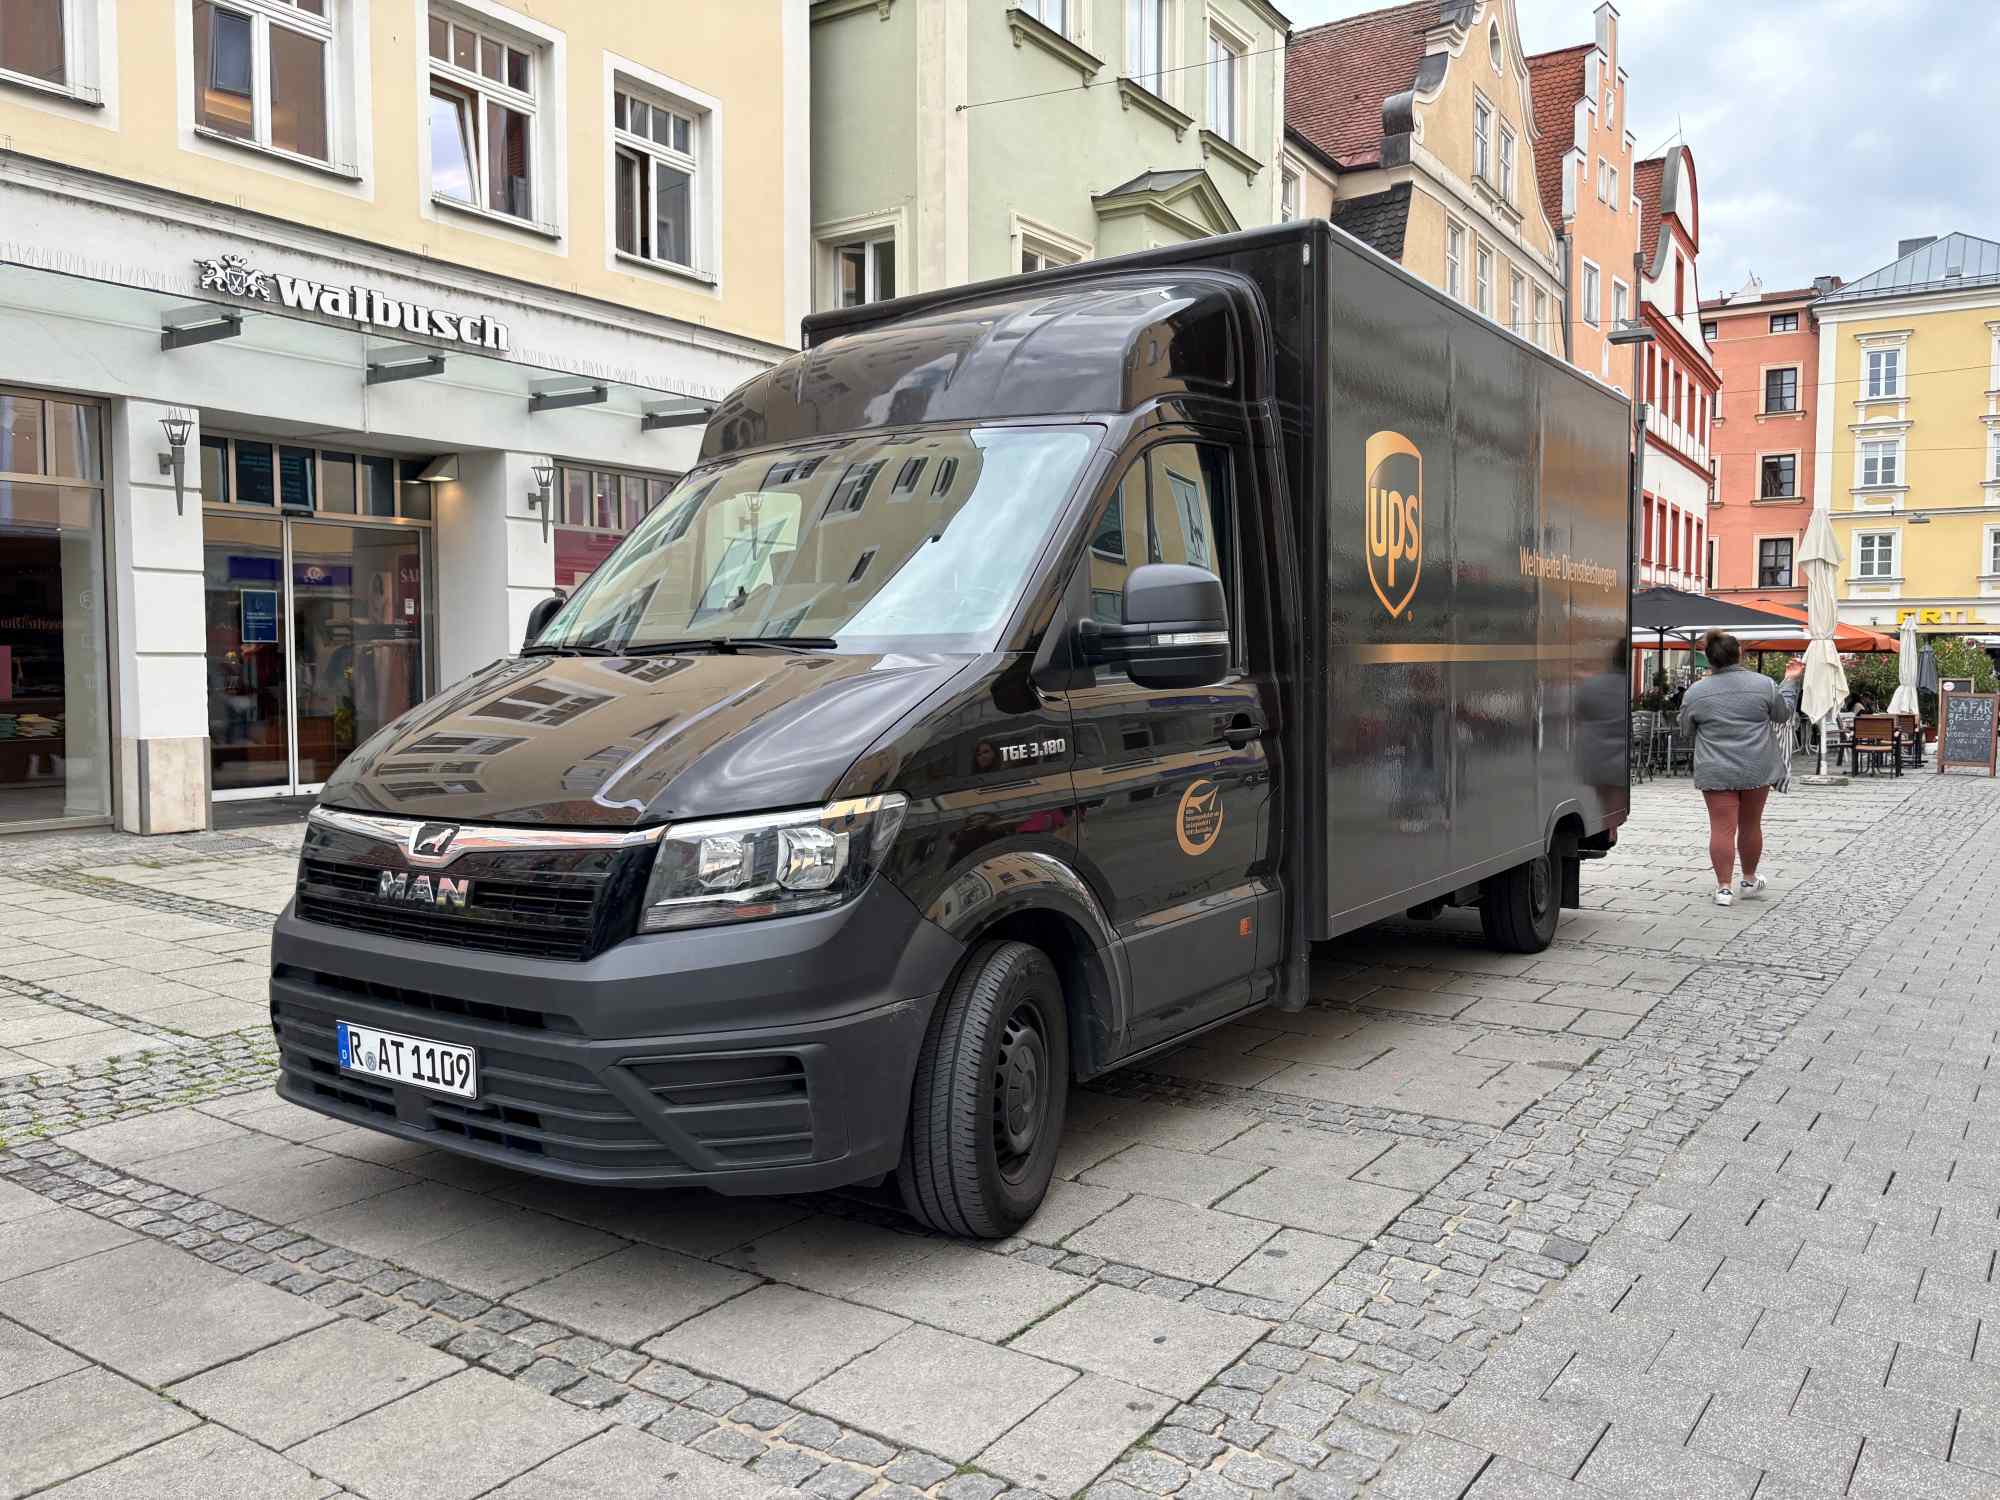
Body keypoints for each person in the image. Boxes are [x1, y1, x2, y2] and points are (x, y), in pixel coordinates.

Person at [1678, 631, 1803, 907]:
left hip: (1715, 768)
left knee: (1721, 828)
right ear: (1740, 654)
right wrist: (1790, 681)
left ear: (1709, 658)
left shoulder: (1696, 692)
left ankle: (1724, 889)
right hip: (1756, 766)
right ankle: (1748, 880)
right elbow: (1783, 714)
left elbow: (1685, 729)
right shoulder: (1764, 684)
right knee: (1751, 824)